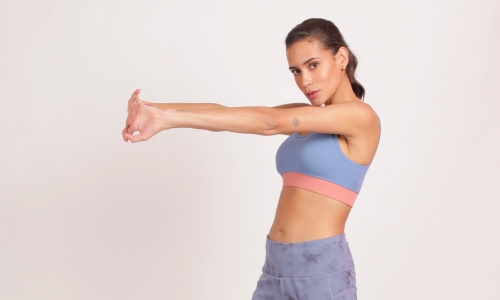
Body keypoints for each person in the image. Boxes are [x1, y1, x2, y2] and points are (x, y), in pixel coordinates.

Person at [122, 18, 380, 300]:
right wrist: (156, 112)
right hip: (275, 267)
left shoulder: (361, 117)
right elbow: (227, 113)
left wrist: (166, 117)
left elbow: (269, 121)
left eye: (313, 65)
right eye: (296, 70)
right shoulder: (309, 116)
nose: (304, 80)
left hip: (321, 270)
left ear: (341, 57)